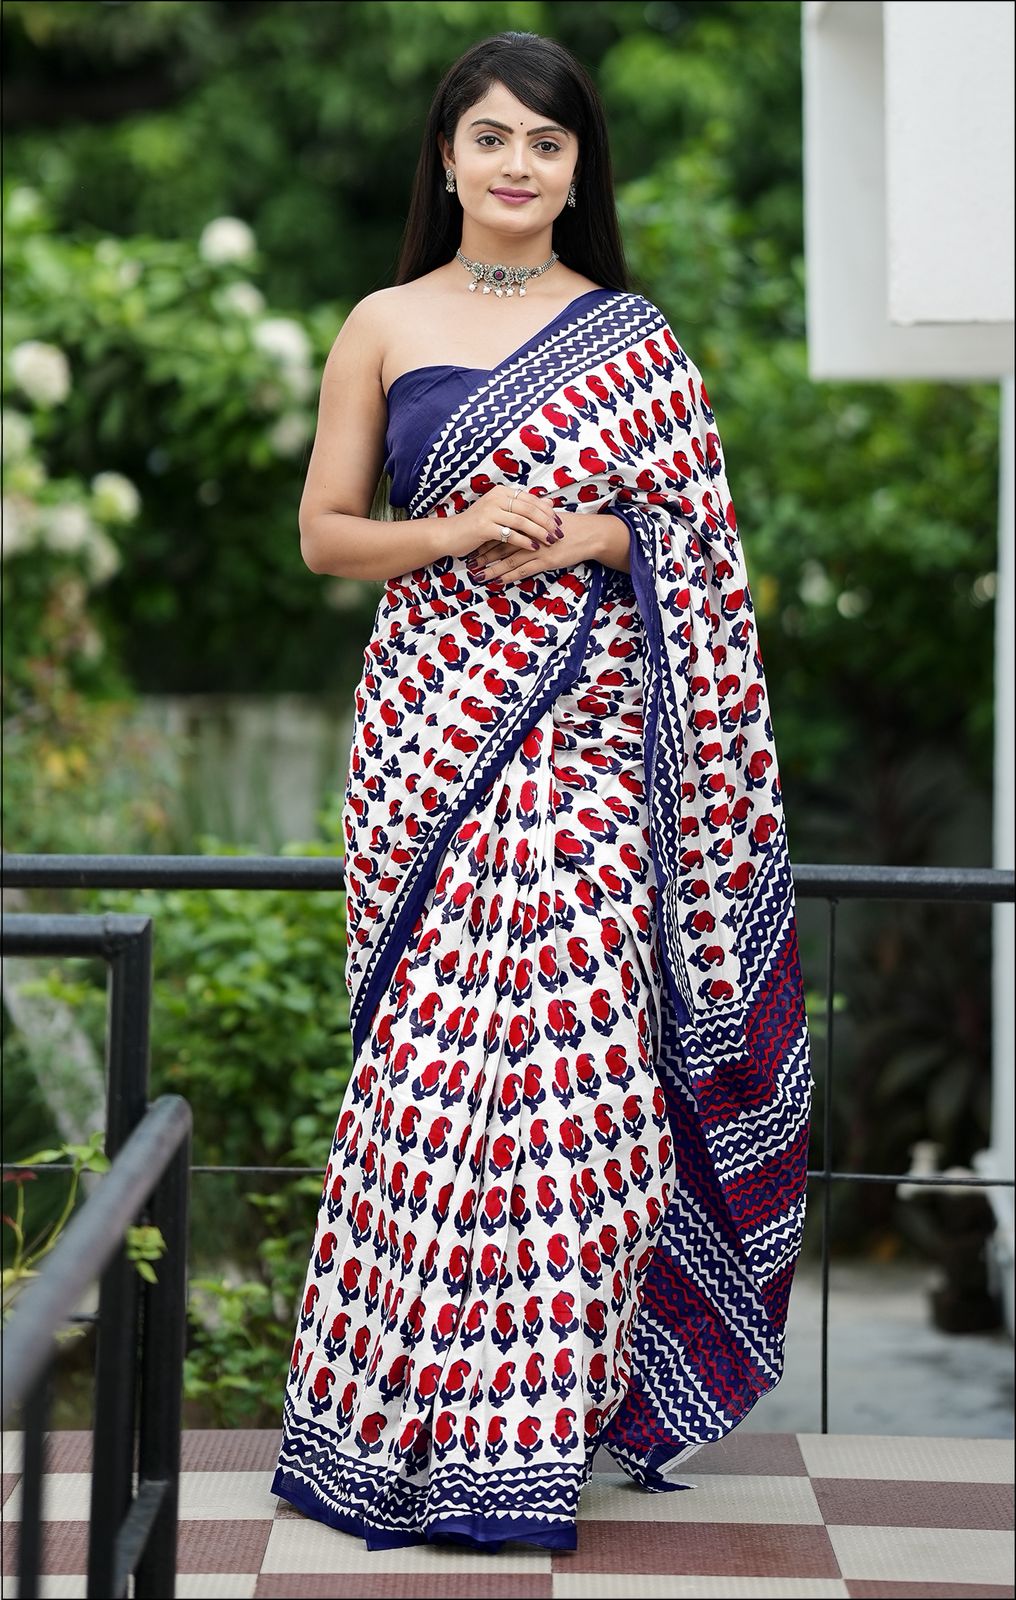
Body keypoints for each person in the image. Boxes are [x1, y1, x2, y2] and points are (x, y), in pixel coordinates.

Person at [271, 28, 812, 1554]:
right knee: (430, 1087)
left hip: (588, 760)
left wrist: (591, 541)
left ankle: (526, 1441)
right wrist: (454, 535)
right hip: (434, 750)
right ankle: (385, 1433)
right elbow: (324, 534)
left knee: (575, 1088)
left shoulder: (634, 337)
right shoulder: (381, 322)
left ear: (580, 175)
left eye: (548, 144)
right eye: (492, 136)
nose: (518, 164)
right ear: (445, 155)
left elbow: (699, 552)